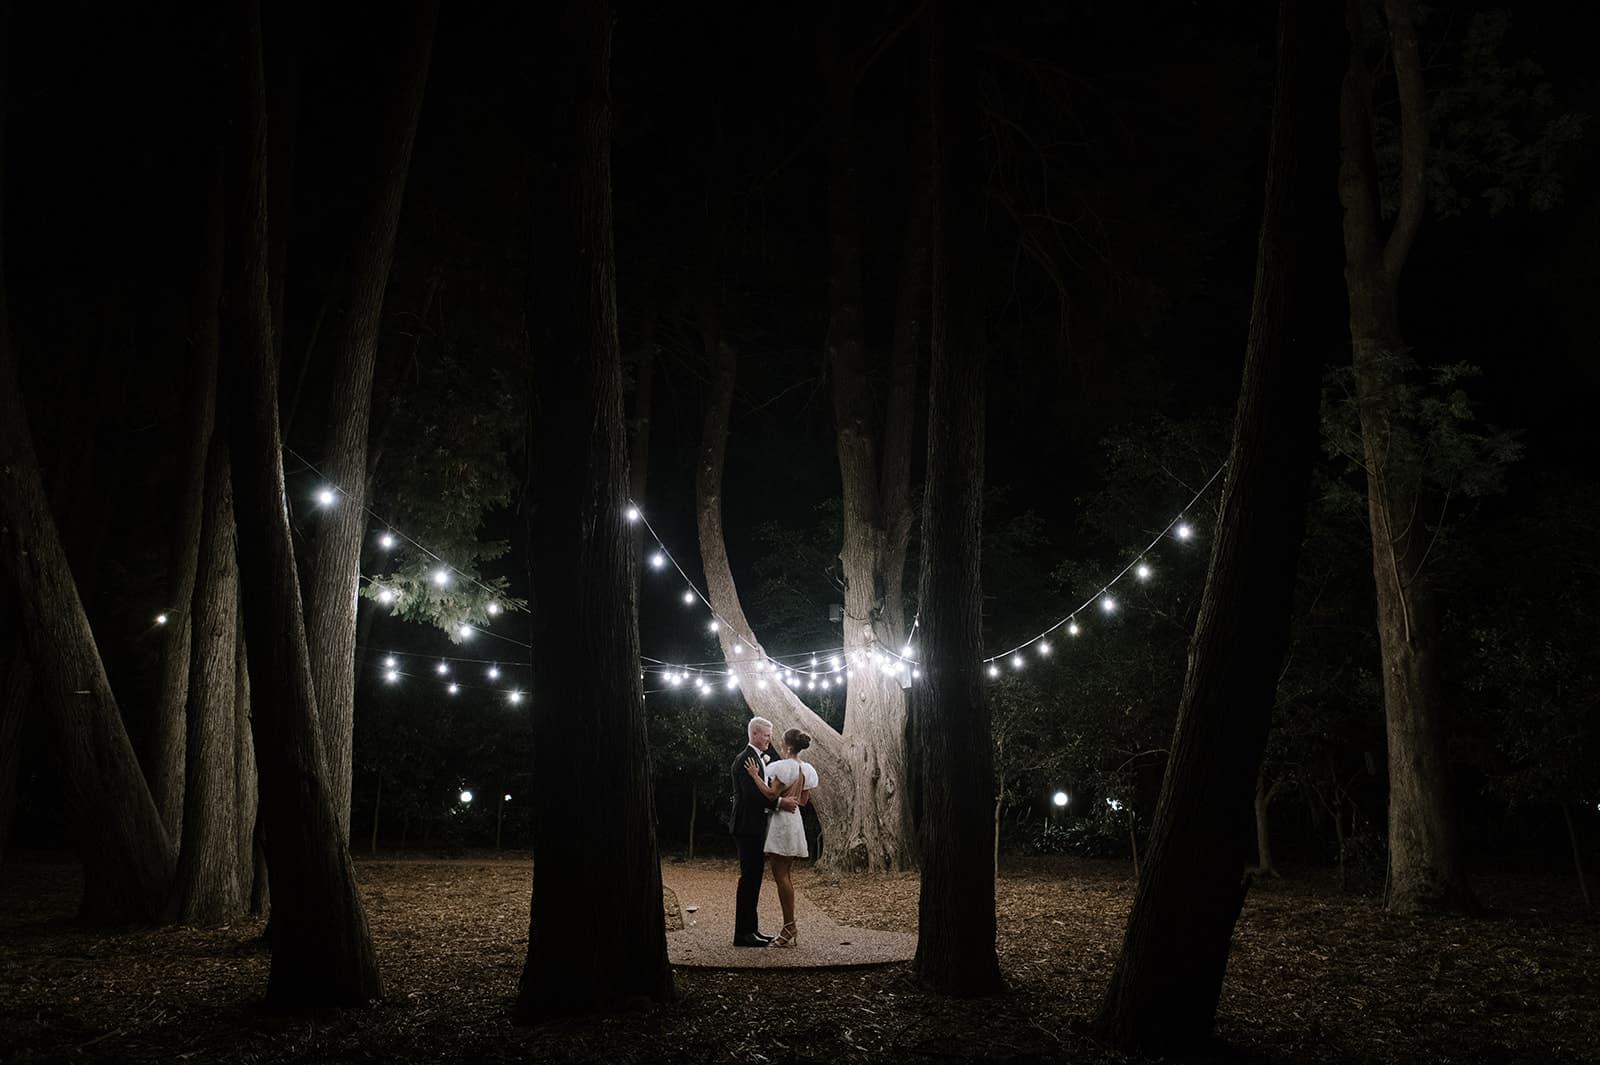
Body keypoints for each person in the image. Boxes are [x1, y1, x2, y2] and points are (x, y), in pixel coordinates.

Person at [743, 727, 817, 948]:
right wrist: (790, 797)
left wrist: (755, 776)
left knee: (781, 876)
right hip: (795, 822)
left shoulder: (783, 767)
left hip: (782, 823)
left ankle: (789, 927)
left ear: (785, 745)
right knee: (786, 875)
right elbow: (803, 801)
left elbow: (771, 794)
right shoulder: (806, 770)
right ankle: (789, 925)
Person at [729, 716, 798, 947]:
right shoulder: (745, 760)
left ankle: (752, 930)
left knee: (755, 879)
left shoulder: (756, 759)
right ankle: (743, 934)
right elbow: (752, 798)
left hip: (755, 827)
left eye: (770, 735)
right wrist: (780, 803)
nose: (770, 739)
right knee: (748, 879)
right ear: (755, 734)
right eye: (767, 735)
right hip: (747, 827)